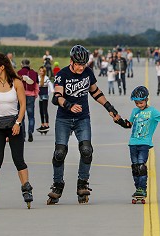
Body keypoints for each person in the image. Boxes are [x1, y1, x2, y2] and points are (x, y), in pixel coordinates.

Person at [47, 45, 120, 205]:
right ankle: (57, 185)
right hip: (64, 119)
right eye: (79, 64)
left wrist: (110, 108)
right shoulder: (62, 75)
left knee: (86, 150)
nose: (81, 67)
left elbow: (95, 92)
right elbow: (56, 97)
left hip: (82, 118)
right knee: (60, 152)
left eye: (84, 64)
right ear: (72, 61)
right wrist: (69, 105)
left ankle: (82, 183)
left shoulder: (88, 72)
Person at [0, 53, 33, 209]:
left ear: (2, 67)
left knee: (18, 159)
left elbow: (23, 105)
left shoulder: (16, 82)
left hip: (14, 125)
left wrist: (18, 123)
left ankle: (26, 189)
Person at [114, 86, 160, 202]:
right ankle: (138, 188)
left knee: (141, 166)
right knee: (134, 168)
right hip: (133, 143)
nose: (139, 105)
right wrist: (119, 120)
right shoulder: (135, 111)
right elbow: (129, 125)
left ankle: (143, 188)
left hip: (144, 143)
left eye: (141, 102)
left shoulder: (152, 111)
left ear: (147, 99)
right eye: (136, 103)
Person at [17, 59, 39, 142]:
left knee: (21, 116)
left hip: (21, 95)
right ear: (29, 64)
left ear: (22, 64)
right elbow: (36, 85)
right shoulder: (34, 73)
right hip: (31, 96)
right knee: (31, 116)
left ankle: (22, 135)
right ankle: (30, 131)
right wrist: (35, 94)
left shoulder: (18, 73)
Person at [36, 66, 54, 133]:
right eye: (40, 71)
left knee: (44, 110)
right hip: (40, 95)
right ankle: (42, 124)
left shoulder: (46, 78)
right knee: (41, 110)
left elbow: (50, 85)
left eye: (42, 71)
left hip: (45, 95)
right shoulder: (38, 78)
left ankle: (47, 124)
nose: (41, 72)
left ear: (44, 72)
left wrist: (52, 91)